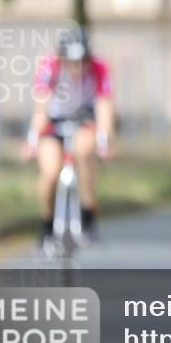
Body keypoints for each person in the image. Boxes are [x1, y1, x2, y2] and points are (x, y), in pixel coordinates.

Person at [23, 28, 113, 250]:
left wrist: (104, 140)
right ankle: (46, 226)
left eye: (82, 62)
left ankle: (88, 211)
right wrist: (33, 140)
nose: (77, 68)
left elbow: (104, 106)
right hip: (54, 122)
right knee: (51, 172)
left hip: (84, 120)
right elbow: (41, 107)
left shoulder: (99, 69)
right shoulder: (49, 67)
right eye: (71, 62)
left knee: (84, 150)